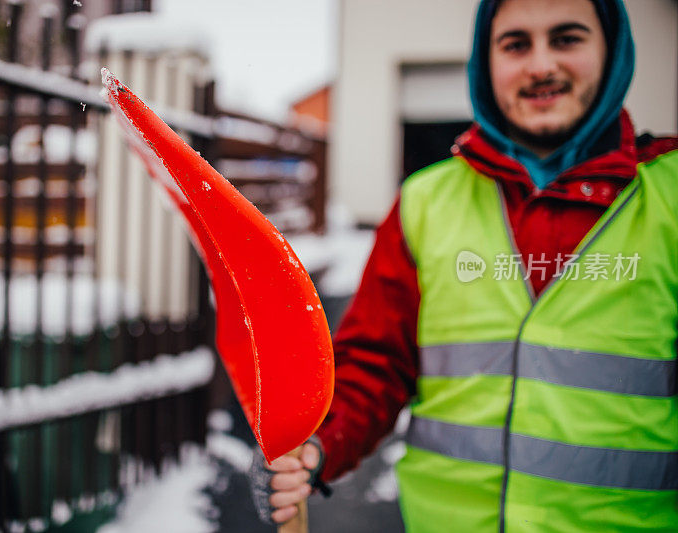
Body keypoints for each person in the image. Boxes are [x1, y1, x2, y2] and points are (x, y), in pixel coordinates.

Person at [250, 0, 678, 531]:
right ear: (485, 60)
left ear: (612, 51)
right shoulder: (425, 201)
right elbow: (375, 366)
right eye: (516, 44)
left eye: (567, 39)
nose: (540, 65)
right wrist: (317, 445)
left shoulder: (671, 201)